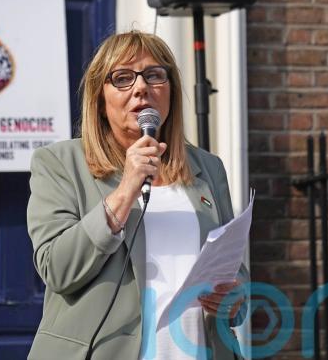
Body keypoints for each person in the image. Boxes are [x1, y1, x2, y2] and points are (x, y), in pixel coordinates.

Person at [27, 30, 248, 359]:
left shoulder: (208, 168)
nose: (141, 87)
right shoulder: (60, 163)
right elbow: (57, 269)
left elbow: (234, 269)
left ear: (171, 92)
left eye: (154, 75)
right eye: (123, 78)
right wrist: (125, 189)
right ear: (100, 101)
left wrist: (234, 298)